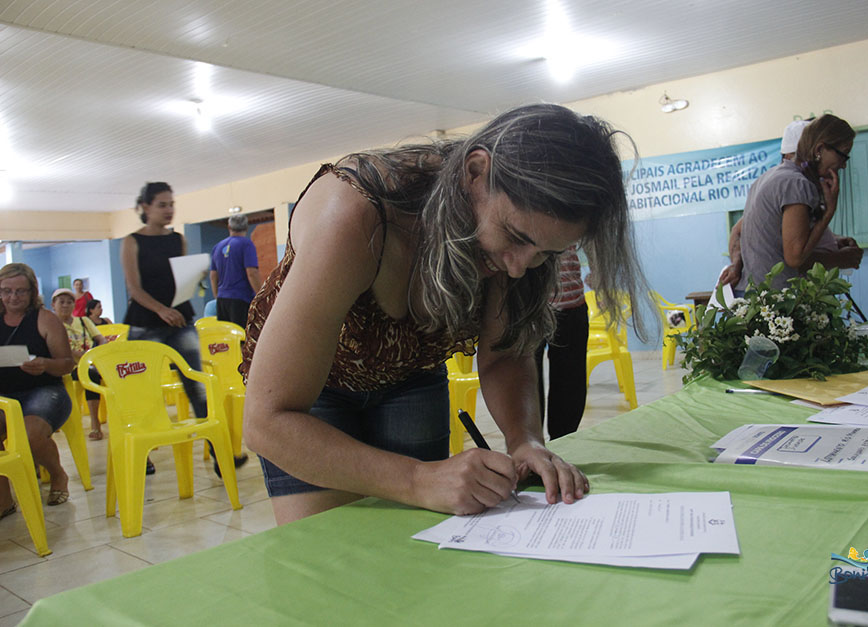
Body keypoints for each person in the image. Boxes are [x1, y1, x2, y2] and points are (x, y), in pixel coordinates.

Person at [240, 103, 646, 525]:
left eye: (546, 252)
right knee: (327, 550)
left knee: (412, 541)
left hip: (410, 373)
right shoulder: (353, 214)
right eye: (515, 236)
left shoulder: (511, 245)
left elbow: (505, 352)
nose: (518, 266)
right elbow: (270, 421)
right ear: (474, 172)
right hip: (311, 393)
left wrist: (524, 439)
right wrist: (417, 479)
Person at [122, 182, 248, 474]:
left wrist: (196, 277)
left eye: (171, 204)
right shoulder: (132, 242)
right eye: (162, 205)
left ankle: (222, 455)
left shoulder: (178, 240)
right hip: (144, 322)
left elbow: (179, 282)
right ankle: (143, 454)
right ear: (145, 208)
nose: (168, 210)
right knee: (141, 390)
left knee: (198, 386)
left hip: (178, 318)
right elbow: (134, 288)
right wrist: (160, 310)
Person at [720, 118, 863, 288]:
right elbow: (795, 257)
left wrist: (833, 241)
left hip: (757, 292)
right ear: (819, 149)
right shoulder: (797, 183)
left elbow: (771, 236)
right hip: (778, 298)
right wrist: (829, 213)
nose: (844, 165)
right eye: (843, 154)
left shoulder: (768, 177)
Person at [0, 263, 74, 516]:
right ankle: (3, 498)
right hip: (5, 396)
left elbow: (67, 364)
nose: (13, 297)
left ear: (32, 292)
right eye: (6, 291)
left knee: (29, 434)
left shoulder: (45, 319)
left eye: (20, 291)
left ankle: (57, 474)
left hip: (45, 390)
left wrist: (45, 365)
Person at [533, 246, 588, 440]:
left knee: (570, 383)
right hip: (527, 306)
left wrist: (600, 274)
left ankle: (563, 443)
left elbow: (591, 236)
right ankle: (528, 446)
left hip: (571, 303)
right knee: (524, 383)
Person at [50, 288, 108, 440]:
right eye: (61, 302)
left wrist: (97, 351)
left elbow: (101, 338)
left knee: (103, 372)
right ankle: (95, 424)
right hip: (68, 368)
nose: (65, 305)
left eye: (69, 302)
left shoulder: (83, 321)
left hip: (90, 362)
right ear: (53, 305)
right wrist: (77, 355)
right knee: (90, 373)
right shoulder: (51, 324)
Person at [210, 214, 262, 328]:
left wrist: (217, 297)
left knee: (227, 339)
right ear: (247, 227)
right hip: (241, 299)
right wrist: (261, 296)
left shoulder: (217, 247)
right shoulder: (246, 245)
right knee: (243, 338)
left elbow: (213, 276)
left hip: (222, 301)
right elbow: (252, 273)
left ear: (229, 227)